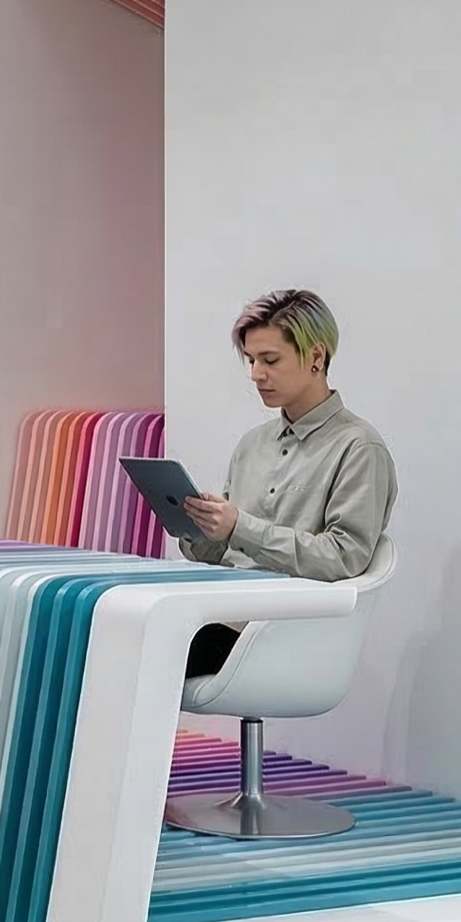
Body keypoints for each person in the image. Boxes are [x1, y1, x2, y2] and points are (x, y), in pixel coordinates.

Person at [179, 288, 398, 675]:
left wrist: (239, 528)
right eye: (250, 360)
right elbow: (219, 550)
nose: (256, 375)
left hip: (280, 632)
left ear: (316, 356)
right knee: (102, 635)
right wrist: (201, 526)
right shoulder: (252, 444)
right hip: (218, 613)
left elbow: (345, 558)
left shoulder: (359, 447)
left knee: (139, 653)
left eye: (270, 360)